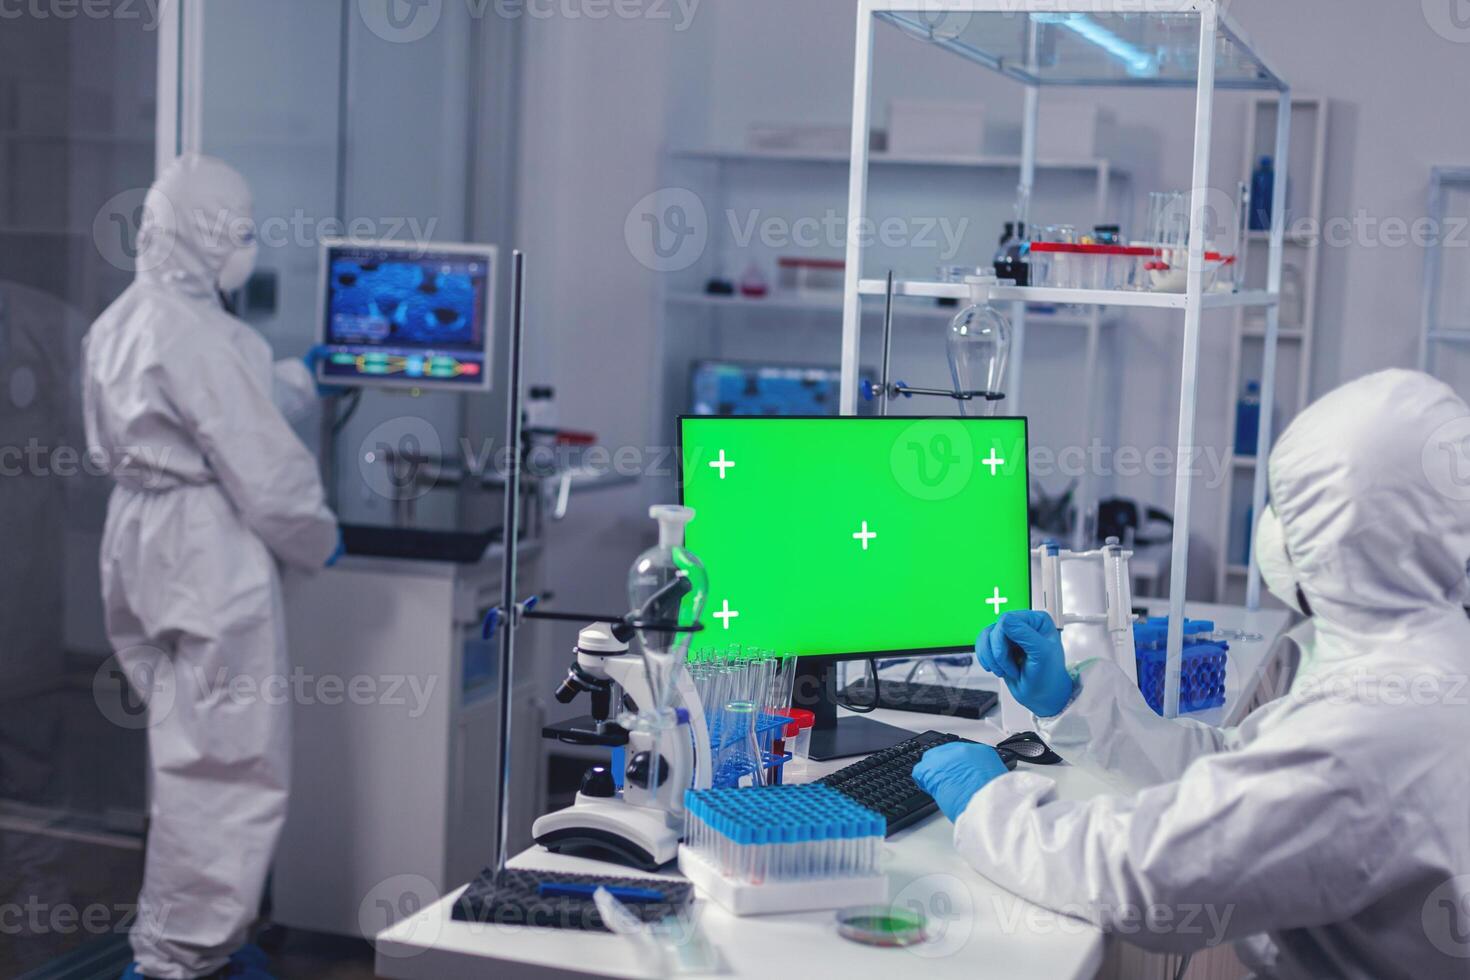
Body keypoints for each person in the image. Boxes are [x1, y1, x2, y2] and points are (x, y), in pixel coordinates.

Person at [914, 369, 1470, 978]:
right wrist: (1070, 703)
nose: (1271, 528)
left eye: (1286, 508)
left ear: (1337, 534)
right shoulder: (1421, 653)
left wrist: (991, 805)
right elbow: (1237, 772)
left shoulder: (1372, 727)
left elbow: (1151, 877)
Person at [83, 154, 341, 980]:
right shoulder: (211, 336)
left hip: (137, 540)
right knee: (227, 762)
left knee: (184, 749)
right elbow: (261, 468)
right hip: (206, 551)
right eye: (242, 230)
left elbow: (213, 410)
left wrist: (304, 377)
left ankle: (187, 945)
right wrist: (317, 535)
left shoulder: (122, 319)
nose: (249, 245)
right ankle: (179, 960)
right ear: (203, 236)